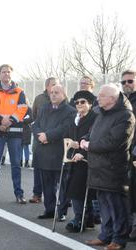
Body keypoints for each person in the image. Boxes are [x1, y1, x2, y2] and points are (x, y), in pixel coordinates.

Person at [82, 84, 135, 250]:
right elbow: (93, 133)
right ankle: (105, 235)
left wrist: (89, 145)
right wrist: (84, 139)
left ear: (112, 98)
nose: (98, 98)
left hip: (113, 168)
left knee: (117, 206)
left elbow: (113, 142)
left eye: (102, 95)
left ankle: (119, 240)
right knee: (104, 204)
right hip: (98, 167)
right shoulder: (101, 113)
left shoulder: (126, 116)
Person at [0, 64, 28, 204]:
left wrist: (9, 122)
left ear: (11, 74)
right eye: (3, 72)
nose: (6, 74)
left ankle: (19, 194)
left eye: (8, 72)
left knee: (16, 164)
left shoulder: (20, 91)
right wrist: (0, 121)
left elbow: (22, 109)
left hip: (14, 132)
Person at [32, 84, 76, 220]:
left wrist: (48, 136)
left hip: (59, 152)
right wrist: (40, 136)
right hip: (43, 151)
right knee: (47, 185)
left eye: (57, 92)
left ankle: (61, 212)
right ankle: (49, 210)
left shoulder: (70, 111)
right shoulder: (44, 108)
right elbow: (36, 124)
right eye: (51, 92)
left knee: (63, 185)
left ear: (63, 95)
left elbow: (64, 128)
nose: (53, 95)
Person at [64, 90, 97, 232]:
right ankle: (87, 219)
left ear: (90, 103)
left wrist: (83, 152)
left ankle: (79, 219)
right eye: (77, 102)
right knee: (77, 189)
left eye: (82, 102)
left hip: (86, 158)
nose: (79, 104)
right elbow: (67, 136)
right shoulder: (74, 118)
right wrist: (70, 144)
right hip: (73, 158)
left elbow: (93, 138)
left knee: (79, 190)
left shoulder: (95, 118)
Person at [29, 77, 58, 203]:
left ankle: (54, 198)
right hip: (39, 139)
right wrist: (41, 135)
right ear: (47, 86)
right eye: (53, 85)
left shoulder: (62, 98)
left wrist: (50, 136)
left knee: (54, 170)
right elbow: (34, 118)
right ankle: (37, 194)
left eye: (57, 85)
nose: (56, 87)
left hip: (54, 140)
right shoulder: (39, 99)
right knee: (38, 167)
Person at [121, 69, 136, 240]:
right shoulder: (122, 101)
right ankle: (127, 225)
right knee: (126, 190)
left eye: (130, 81)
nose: (126, 85)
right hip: (124, 151)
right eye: (123, 82)